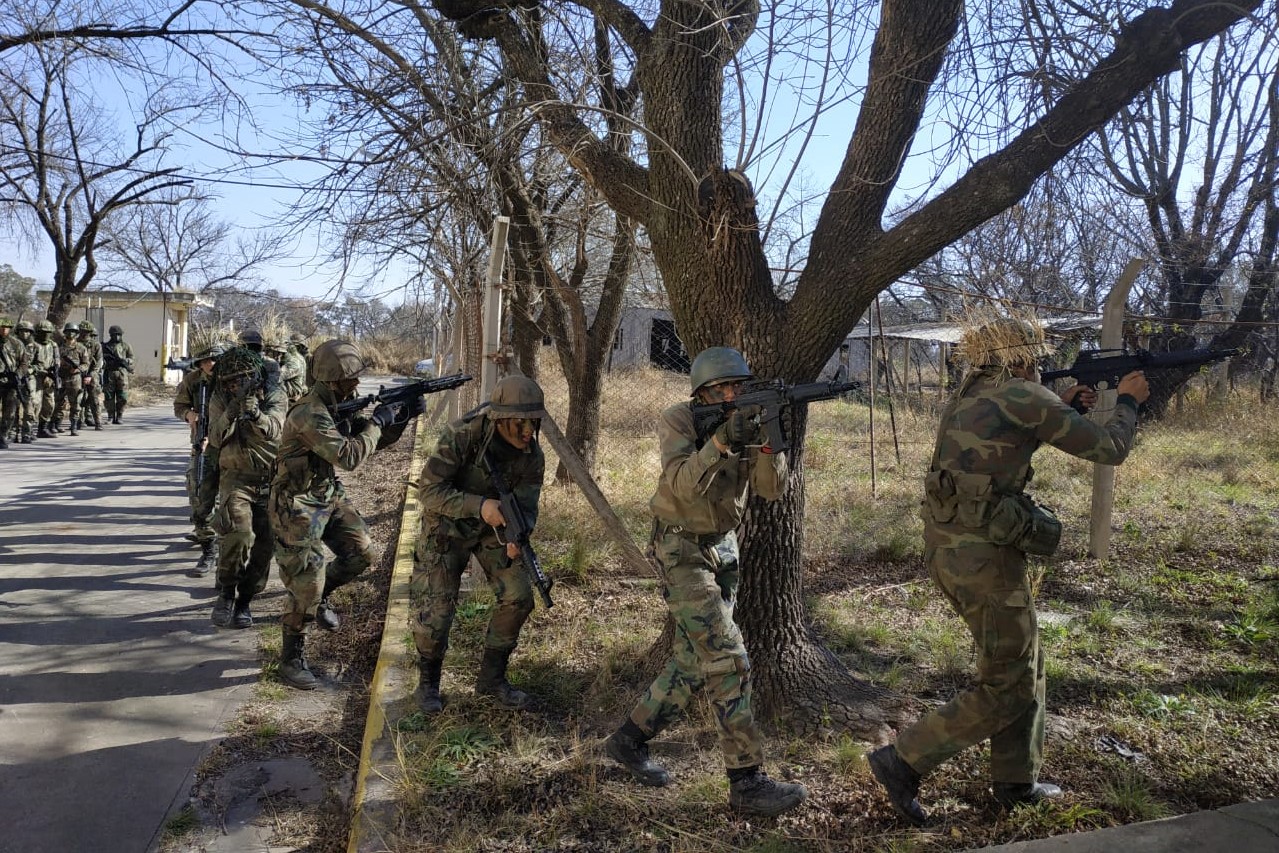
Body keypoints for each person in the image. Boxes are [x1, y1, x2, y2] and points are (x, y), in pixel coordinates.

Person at [866, 315, 1150, 826]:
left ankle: (1017, 782)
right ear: (1021, 356)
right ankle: (903, 759)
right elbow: (1111, 449)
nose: (1039, 364)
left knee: (1026, 665)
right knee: (1009, 683)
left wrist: (1062, 408)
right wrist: (1128, 400)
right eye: (1035, 357)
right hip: (984, 558)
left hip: (955, 549)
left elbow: (997, 446)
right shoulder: (1022, 394)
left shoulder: (972, 393)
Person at [603, 346, 808, 818]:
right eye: (726, 389)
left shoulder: (751, 420)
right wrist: (719, 442)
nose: (736, 395)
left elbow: (771, 491)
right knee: (728, 658)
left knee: (695, 661)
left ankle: (628, 741)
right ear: (704, 394)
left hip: (723, 545)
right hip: (680, 549)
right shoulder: (679, 419)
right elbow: (678, 484)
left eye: (742, 387)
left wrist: (769, 438)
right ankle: (747, 780)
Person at [269, 339, 422, 689]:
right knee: (307, 582)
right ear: (331, 380)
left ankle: (320, 597)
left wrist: (401, 417)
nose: (356, 385)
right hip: (296, 505)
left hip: (326, 495)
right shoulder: (309, 413)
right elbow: (350, 457)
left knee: (362, 554)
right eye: (349, 380)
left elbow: (373, 442)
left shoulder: (337, 404)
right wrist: (377, 422)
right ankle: (290, 659)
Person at [411, 375, 547, 713]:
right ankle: (427, 684)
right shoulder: (462, 437)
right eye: (521, 422)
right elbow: (428, 491)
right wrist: (478, 506)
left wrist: (519, 538)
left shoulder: (532, 456)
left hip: (494, 532)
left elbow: (527, 506)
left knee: (519, 597)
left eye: (535, 421)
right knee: (438, 611)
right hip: (445, 528)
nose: (529, 430)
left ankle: (491, 681)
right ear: (501, 419)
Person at [206, 346, 286, 628]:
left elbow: (277, 429)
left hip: (270, 479)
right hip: (236, 479)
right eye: (230, 381)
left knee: (265, 547)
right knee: (239, 534)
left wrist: (256, 415)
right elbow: (214, 438)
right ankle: (227, 592)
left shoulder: (274, 394)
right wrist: (230, 412)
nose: (236, 385)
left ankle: (245, 601)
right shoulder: (220, 398)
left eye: (243, 379)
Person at [174, 343, 226, 570]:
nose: (210, 364)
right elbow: (179, 405)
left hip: (229, 445)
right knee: (198, 491)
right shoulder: (193, 380)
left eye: (214, 360)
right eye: (206, 361)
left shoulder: (231, 380)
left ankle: (222, 539)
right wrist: (189, 414)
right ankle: (208, 545)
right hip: (201, 445)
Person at [54, 321, 88, 435]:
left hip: (75, 379)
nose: (70, 334)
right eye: (68, 331)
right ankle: (57, 424)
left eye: (73, 332)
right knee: (59, 402)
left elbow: (85, 364)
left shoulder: (81, 348)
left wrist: (77, 369)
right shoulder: (59, 347)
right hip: (62, 377)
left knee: (75, 403)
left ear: (77, 334)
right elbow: (54, 361)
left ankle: (73, 426)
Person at [0, 317, 28, 448]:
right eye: (1, 327)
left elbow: (24, 363)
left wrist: (18, 374)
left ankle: (4, 435)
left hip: (10, 382)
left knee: (10, 410)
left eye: (6, 327)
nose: (4, 330)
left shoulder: (17, 344)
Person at [30, 321, 60, 439]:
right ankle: (30, 429)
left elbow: (57, 359)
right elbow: (28, 363)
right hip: (36, 378)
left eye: (48, 333)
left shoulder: (53, 345)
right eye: (43, 333)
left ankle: (43, 428)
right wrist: (39, 370)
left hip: (49, 378)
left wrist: (55, 370)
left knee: (49, 404)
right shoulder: (33, 345)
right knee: (35, 403)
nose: (45, 335)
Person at [101, 325, 134, 424]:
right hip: (109, 373)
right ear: (111, 335)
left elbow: (131, 357)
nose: (117, 337)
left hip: (122, 373)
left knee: (122, 396)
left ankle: (119, 415)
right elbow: (100, 358)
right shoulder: (105, 346)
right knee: (109, 396)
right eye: (115, 335)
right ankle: (110, 416)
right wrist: (106, 363)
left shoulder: (126, 346)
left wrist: (126, 361)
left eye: (119, 335)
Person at [14, 321, 37, 443]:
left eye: (27, 331)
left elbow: (40, 363)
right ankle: (13, 432)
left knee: (29, 407)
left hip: (29, 379)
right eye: (22, 331)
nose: (25, 333)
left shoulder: (35, 346)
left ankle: (27, 432)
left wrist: (32, 369)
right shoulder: (12, 345)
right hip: (14, 378)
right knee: (13, 407)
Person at [78, 321, 103, 430]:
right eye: (83, 331)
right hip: (78, 374)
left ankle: (98, 422)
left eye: (87, 332)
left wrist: (90, 375)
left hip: (92, 375)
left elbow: (98, 362)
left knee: (94, 398)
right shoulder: (76, 344)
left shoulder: (96, 345)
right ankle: (79, 421)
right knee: (79, 398)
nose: (85, 334)